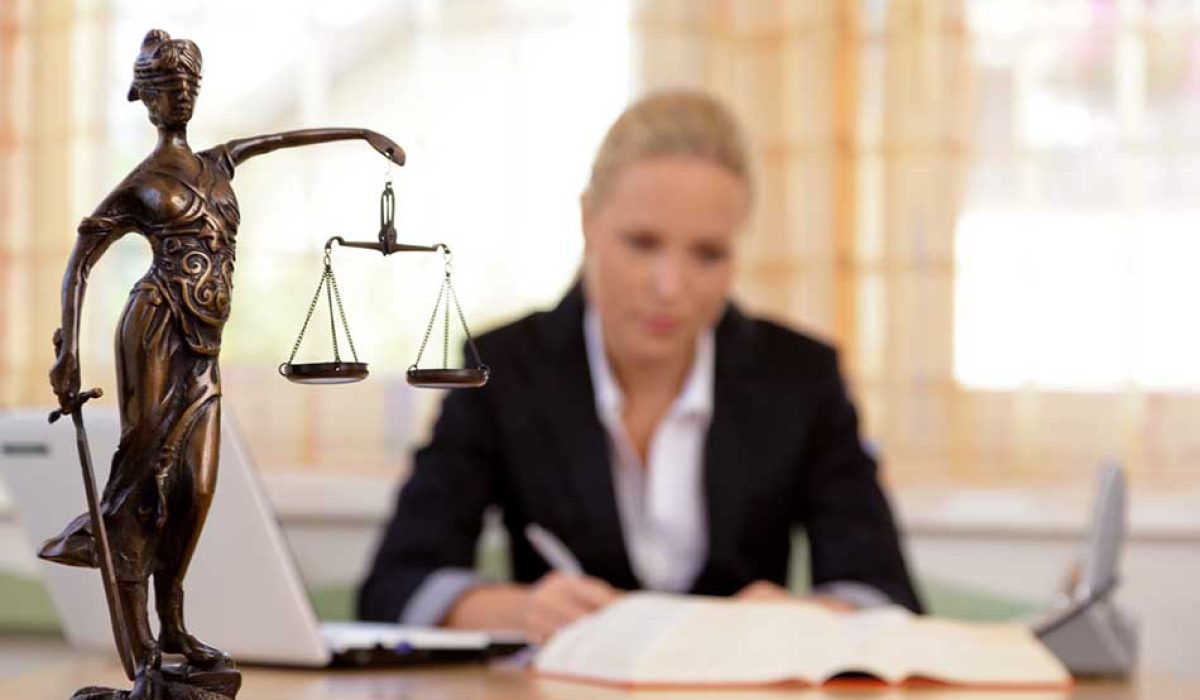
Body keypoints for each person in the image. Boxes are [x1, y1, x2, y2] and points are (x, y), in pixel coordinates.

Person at [359, 90, 921, 643]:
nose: (670, 287)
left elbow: (885, 596)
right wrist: (520, 609)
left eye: (708, 254)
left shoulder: (800, 377)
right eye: (642, 243)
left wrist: (804, 618)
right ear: (587, 220)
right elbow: (396, 583)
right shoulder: (504, 368)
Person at [44, 29, 404, 694]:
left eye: (188, 86)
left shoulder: (220, 162)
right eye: (167, 86)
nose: (179, 95)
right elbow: (82, 257)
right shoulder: (141, 182)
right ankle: (142, 641)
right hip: (153, 326)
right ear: (147, 100)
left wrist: (359, 133)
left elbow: (283, 141)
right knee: (143, 475)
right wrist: (67, 349)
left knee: (197, 486)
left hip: (206, 343)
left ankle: (174, 621)